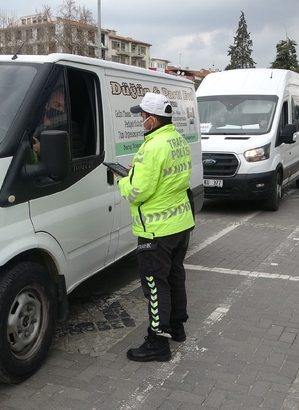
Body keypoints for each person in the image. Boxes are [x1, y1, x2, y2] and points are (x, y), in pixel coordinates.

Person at [114, 92, 195, 362]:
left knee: (155, 284)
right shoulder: (177, 140)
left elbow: (138, 191)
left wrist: (123, 180)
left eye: (143, 115)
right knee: (175, 277)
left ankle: (158, 342)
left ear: (153, 119)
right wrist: (137, 173)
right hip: (180, 224)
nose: (140, 119)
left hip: (155, 230)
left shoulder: (152, 147)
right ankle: (177, 328)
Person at [32, 88, 84, 159]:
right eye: (57, 105)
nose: (61, 110)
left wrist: (42, 152)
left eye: (64, 106)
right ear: (47, 105)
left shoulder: (70, 128)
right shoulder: (33, 124)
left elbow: (74, 157)